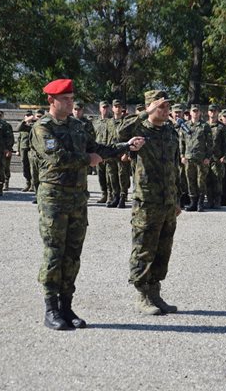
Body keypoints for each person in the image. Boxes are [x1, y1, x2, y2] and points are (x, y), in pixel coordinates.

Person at [31, 79, 144, 330]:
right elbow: (56, 157)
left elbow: (98, 149)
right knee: (54, 252)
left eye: (72, 99)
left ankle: (66, 306)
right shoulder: (43, 128)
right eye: (66, 99)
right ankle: (50, 309)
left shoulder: (78, 126)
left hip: (77, 198)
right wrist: (88, 159)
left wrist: (126, 146)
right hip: (54, 198)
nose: (71, 103)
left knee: (72, 254)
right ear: (52, 100)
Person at [118, 90, 181, 315]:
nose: (166, 110)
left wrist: (177, 199)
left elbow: (176, 167)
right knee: (144, 247)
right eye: (161, 106)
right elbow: (119, 131)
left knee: (163, 249)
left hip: (167, 201)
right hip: (147, 201)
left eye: (167, 107)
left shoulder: (170, 132)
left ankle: (155, 293)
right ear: (150, 107)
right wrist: (145, 113)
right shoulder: (139, 129)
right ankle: (141, 295)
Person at [180, 104, 212, 212]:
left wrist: (208, 156)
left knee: (200, 181)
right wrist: (182, 155)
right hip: (188, 158)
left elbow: (210, 143)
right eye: (193, 111)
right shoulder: (185, 125)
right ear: (190, 112)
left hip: (201, 158)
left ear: (200, 113)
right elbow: (182, 142)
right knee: (190, 180)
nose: (195, 113)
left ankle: (200, 202)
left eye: (197, 111)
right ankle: (193, 202)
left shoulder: (204, 126)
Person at [106, 99, 131, 208]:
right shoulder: (108, 122)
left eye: (119, 106)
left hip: (122, 153)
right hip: (111, 152)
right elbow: (106, 138)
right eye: (115, 106)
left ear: (122, 109)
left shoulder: (125, 122)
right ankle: (115, 196)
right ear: (112, 108)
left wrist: (127, 154)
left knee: (122, 175)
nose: (117, 108)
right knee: (112, 175)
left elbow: (130, 139)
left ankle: (122, 197)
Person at [205, 103, 226, 209]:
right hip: (206, 158)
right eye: (211, 111)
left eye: (215, 111)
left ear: (218, 113)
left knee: (217, 179)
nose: (213, 113)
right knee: (207, 179)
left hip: (218, 157)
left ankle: (217, 201)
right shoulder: (204, 126)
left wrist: (224, 156)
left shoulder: (221, 127)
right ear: (208, 112)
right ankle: (209, 200)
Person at [93, 101, 111, 203]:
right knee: (101, 174)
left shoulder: (111, 121)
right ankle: (104, 193)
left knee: (110, 175)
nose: (105, 109)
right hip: (98, 151)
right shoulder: (95, 122)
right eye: (103, 107)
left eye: (106, 107)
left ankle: (111, 195)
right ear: (99, 109)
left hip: (108, 150)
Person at [17, 110, 35, 192]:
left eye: (30, 115)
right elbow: (19, 137)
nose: (28, 117)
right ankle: (27, 182)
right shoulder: (23, 125)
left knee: (32, 167)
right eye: (27, 115)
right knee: (25, 167)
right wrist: (18, 150)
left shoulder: (34, 125)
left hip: (32, 149)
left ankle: (32, 184)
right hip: (23, 148)